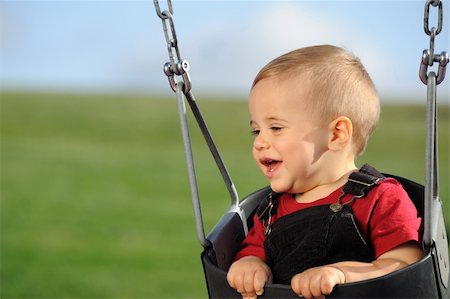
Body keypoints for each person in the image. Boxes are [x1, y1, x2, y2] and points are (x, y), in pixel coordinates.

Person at [226, 45, 422, 299]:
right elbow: (252, 250)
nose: (259, 142)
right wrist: (250, 266)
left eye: (275, 127)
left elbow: (404, 264)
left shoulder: (381, 198)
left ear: (336, 134)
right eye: (256, 130)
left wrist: (342, 275)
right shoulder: (271, 210)